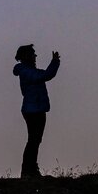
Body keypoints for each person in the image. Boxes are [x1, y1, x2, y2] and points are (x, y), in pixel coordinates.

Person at [13, 44, 60, 178]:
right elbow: (45, 75)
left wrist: (54, 63)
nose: (35, 56)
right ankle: (28, 170)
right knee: (33, 140)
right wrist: (55, 62)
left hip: (36, 109)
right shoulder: (26, 71)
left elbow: (45, 75)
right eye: (33, 53)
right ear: (26, 56)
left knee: (35, 140)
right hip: (32, 110)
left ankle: (31, 169)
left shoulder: (30, 71)